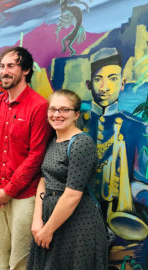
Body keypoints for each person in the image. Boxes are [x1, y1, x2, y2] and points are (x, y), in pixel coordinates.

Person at [0, 47, 51, 270]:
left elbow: (36, 156)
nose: (4, 71)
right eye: (2, 66)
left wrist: (8, 191)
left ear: (26, 70)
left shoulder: (39, 106)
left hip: (23, 195)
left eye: (11, 66)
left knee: (20, 259)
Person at [27, 89, 108, 269]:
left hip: (77, 225)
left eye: (64, 110)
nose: (57, 114)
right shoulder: (53, 141)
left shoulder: (81, 143)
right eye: (53, 109)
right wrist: (37, 219)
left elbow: (72, 195)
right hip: (50, 220)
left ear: (76, 114)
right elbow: (44, 179)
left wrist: (48, 230)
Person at [80, 48, 148, 260]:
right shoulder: (77, 122)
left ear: (122, 82)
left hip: (119, 220)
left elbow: (143, 180)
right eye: (98, 79)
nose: (104, 87)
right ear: (89, 84)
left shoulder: (136, 128)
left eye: (112, 78)